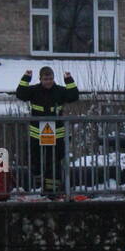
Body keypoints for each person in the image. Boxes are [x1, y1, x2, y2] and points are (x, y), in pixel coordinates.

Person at [15, 66, 79, 198]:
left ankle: (51, 191)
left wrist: (69, 80)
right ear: (40, 79)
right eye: (45, 79)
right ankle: (39, 182)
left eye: (50, 79)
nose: (48, 81)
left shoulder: (60, 91)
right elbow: (20, 94)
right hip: (37, 133)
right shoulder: (34, 90)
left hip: (56, 134)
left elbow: (73, 96)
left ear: (53, 78)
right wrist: (26, 77)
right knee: (36, 161)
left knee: (54, 163)